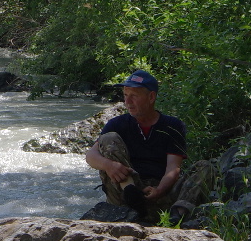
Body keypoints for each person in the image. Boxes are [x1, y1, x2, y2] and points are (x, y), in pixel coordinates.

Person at [84, 69, 211, 219]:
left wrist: (160, 190)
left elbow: (173, 167)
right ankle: (133, 204)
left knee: (205, 167)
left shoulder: (173, 126)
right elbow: (91, 156)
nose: (127, 102)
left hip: (161, 191)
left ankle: (178, 215)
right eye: (125, 95)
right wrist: (109, 165)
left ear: (151, 97)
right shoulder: (117, 124)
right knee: (108, 138)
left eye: (134, 96)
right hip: (126, 189)